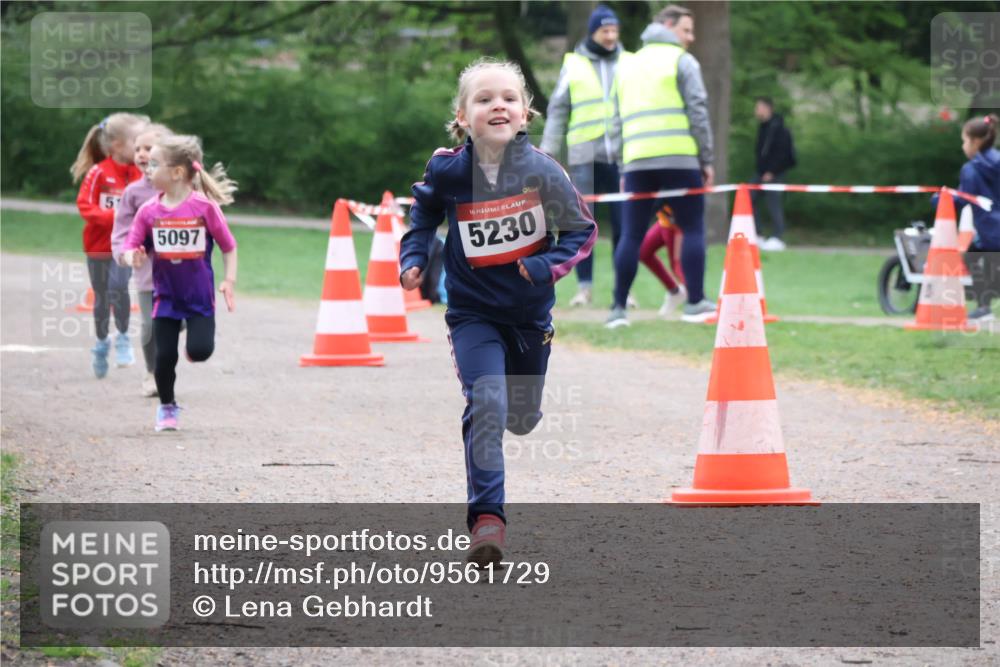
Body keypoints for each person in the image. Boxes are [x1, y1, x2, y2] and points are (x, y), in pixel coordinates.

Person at [399, 59, 596, 567]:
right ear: (462, 116)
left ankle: (521, 405)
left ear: (525, 111)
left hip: (529, 317)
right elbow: (420, 215)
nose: (497, 105)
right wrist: (414, 258)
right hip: (472, 314)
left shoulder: (542, 170)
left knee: (522, 418)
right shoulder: (447, 168)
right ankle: (488, 520)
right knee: (486, 401)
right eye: (484, 99)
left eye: (508, 97)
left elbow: (581, 232)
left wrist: (545, 264)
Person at [608, 4, 715, 327]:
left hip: (638, 161)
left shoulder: (626, 66)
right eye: (686, 30)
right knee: (693, 227)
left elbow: (614, 121)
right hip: (681, 157)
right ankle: (694, 303)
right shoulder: (682, 61)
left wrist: (622, 166)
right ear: (667, 26)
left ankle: (617, 310)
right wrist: (706, 158)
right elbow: (698, 111)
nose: (691, 38)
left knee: (631, 234)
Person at [122, 135, 239, 432]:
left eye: (155, 164)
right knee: (164, 357)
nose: (148, 169)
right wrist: (131, 256)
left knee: (200, 352)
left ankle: (192, 340)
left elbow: (228, 246)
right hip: (166, 298)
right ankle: (167, 407)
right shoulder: (148, 211)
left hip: (199, 297)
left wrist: (228, 280)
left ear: (176, 172)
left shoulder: (204, 208)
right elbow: (129, 246)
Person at [540, 4, 627, 308]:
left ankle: (623, 289)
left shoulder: (629, 63)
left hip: (620, 154)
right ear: (593, 32)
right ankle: (584, 288)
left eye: (614, 29)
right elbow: (558, 108)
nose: (611, 35)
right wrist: (549, 149)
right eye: (605, 30)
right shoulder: (573, 64)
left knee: (624, 223)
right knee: (582, 223)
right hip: (583, 153)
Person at [71, 113, 149, 377]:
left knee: (119, 287)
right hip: (97, 246)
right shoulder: (98, 172)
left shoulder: (142, 174)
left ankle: (124, 337)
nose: (142, 150)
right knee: (102, 298)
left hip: (126, 246)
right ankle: (102, 343)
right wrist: (115, 216)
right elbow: (84, 205)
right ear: (117, 145)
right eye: (136, 143)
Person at [112, 122, 174, 397]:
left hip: (183, 274)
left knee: (178, 320)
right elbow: (122, 233)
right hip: (147, 272)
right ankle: (152, 373)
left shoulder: (184, 187)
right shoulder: (133, 193)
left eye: (148, 148)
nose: (141, 153)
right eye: (137, 148)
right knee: (150, 323)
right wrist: (126, 254)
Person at [957, 114, 1000, 322]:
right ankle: (984, 304)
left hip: (991, 230)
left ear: (976, 142)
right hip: (992, 233)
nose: (963, 146)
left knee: (973, 256)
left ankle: (983, 307)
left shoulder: (971, 169)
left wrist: (939, 199)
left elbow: (962, 199)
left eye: (964, 141)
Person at [751, 97, 796, 251]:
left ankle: (778, 236)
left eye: (758, 107)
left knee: (773, 203)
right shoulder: (763, 128)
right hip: (760, 172)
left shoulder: (779, 129)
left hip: (774, 173)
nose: (756, 111)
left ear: (767, 108)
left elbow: (784, 154)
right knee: (750, 198)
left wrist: (772, 171)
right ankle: (758, 234)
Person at [639, 203, 687, 316]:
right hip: (664, 222)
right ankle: (675, 292)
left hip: (675, 224)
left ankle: (696, 301)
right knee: (642, 252)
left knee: (677, 266)